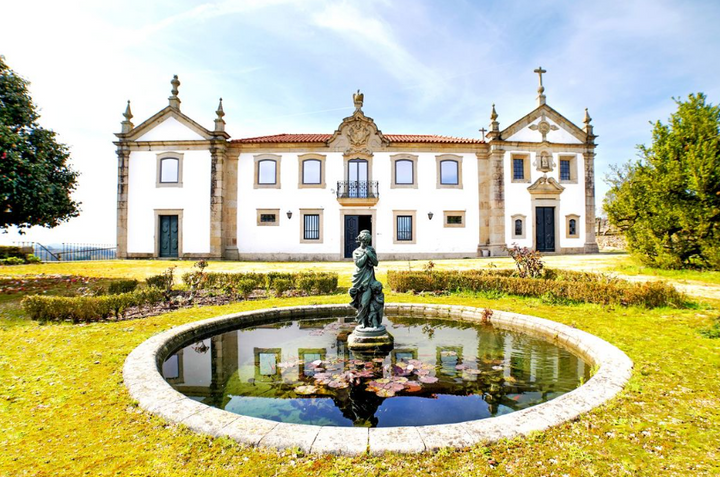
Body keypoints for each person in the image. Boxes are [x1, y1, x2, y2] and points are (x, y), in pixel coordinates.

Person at [348, 230, 383, 329]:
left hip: (369, 279)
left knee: (365, 302)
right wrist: (365, 254)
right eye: (364, 242)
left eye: (368, 242)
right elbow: (359, 263)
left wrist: (369, 254)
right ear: (360, 241)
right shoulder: (356, 252)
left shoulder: (371, 250)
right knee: (360, 302)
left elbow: (375, 262)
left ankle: (371, 321)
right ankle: (363, 322)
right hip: (359, 278)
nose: (366, 244)